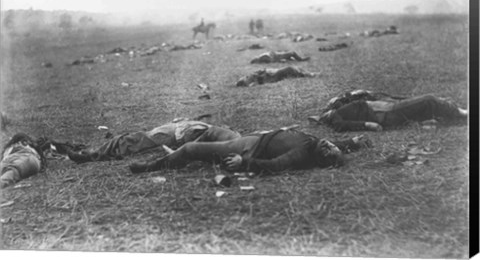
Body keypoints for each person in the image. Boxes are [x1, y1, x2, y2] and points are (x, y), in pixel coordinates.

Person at [129, 128, 371, 175]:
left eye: (328, 152)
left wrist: (244, 164)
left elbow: (276, 165)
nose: (329, 146)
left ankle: (151, 167)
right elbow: (335, 144)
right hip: (252, 136)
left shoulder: (304, 153)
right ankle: (182, 154)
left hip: (248, 147)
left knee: (192, 148)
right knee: (214, 130)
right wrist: (353, 142)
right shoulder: (319, 144)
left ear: (320, 160)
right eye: (332, 146)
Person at [58, 119, 241, 164]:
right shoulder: (229, 138)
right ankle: (92, 153)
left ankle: (91, 155)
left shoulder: (229, 140)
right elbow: (198, 144)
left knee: (129, 140)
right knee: (130, 139)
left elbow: (195, 147)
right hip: (177, 131)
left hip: (173, 134)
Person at [309, 90, 468, 132]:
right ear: (324, 120)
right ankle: (461, 113)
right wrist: (367, 124)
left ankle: (451, 114)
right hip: (384, 113)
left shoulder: (337, 109)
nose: (325, 113)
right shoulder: (336, 119)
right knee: (428, 99)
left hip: (383, 108)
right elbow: (341, 126)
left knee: (421, 106)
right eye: (322, 117)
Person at [236, 66, 316, 87]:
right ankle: (308, 74)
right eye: (245, 79)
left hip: (273, 73)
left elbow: (262, 71)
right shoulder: (254, 81)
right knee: (290, 69)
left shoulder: (253, 77)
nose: (246, 77)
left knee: (293, 69)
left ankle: (308, 73)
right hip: (273, 77)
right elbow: (264, 79)